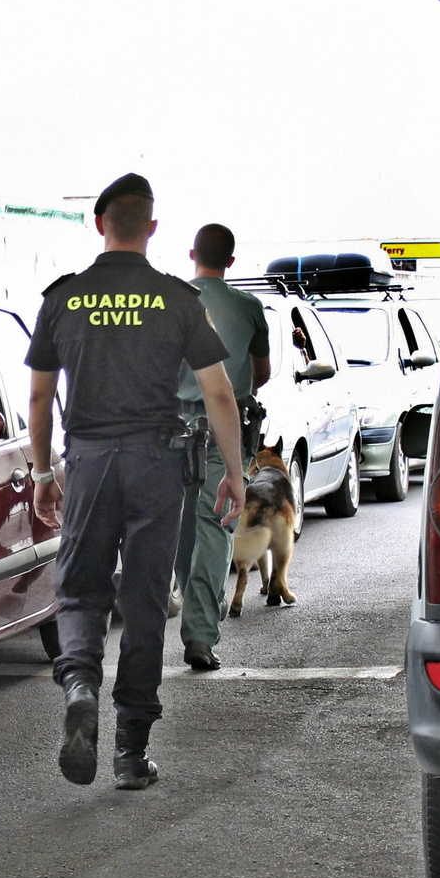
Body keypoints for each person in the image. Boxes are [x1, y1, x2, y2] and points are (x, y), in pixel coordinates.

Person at [25, 173, 245, 791]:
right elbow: (218, 393)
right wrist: (234, 473)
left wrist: (42, 472)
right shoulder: (178, 299)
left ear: (100, 224)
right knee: (145, 603)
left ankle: (79, 686)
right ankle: (130, 754)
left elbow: (39, 398)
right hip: (157, 465)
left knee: (80, 592)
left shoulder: (63, 298)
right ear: (152, 228)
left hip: (90, 462)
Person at [174, 224, 271, 670]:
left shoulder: (171, 299)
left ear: (191, 253)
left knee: (179, 526)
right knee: (216, 525)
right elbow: (261, 373)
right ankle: (200, 633)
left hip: (173, 428)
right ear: (231, 261)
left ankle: (185, 610)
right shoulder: (249, 307)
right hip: (224, 429)